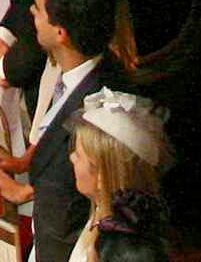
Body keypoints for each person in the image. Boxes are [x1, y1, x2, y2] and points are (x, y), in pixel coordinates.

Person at [13, 0, 122, 262]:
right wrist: (24, 163)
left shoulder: (97, 109)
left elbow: (65, 215)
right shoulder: (90, 67)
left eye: (37, 9)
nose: (32, 13)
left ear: (61, 32)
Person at [63, 87, 174, 262]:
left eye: (78, 155)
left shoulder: (119, 249)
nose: (71, 158)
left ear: (101, 175)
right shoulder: (100, 216)